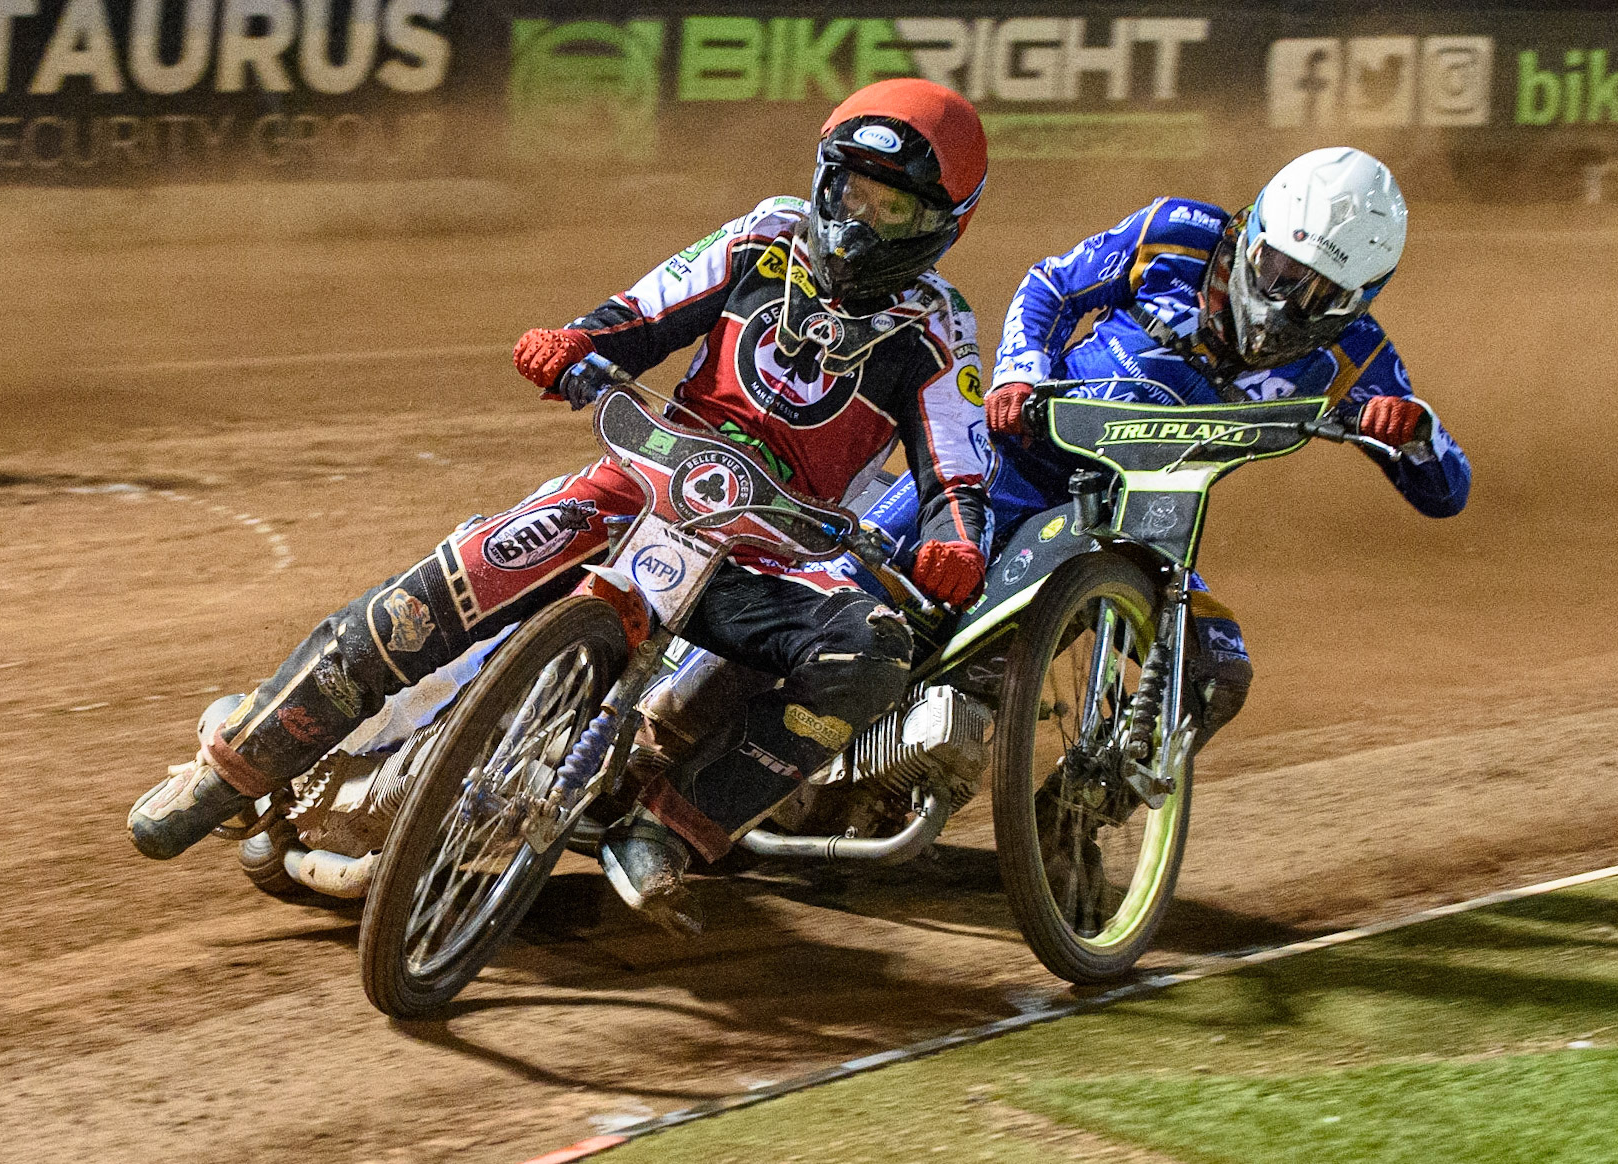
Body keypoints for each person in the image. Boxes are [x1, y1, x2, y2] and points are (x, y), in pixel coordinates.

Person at [128, 79, 995, 935]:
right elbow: (643, 311)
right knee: (444, 586)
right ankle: (232, 767)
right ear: (824, 176)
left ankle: (671, 828)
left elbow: (958, 470)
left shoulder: (939, 327)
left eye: (894, 210)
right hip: (639, 487)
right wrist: (576, 342)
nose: (858, 222)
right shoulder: (766, 235)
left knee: (869, 656)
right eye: (853, 192)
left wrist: (955, 541)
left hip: (771, 552)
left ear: (943, 225)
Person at [982, 147, 1471, 751]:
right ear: (1254, 233)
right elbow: (1051, 286)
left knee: (1218, 673)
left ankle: (1065, 824)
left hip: (1145, 529)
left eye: (1316, 294)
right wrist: (1017, 374)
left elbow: (1447, 493)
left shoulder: (1355, 355)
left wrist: (1414, 432)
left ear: (1356, 299)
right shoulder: (1175, 234)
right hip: (1020, 460)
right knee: (887, 593)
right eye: (1276, 269)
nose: (1284, 297)